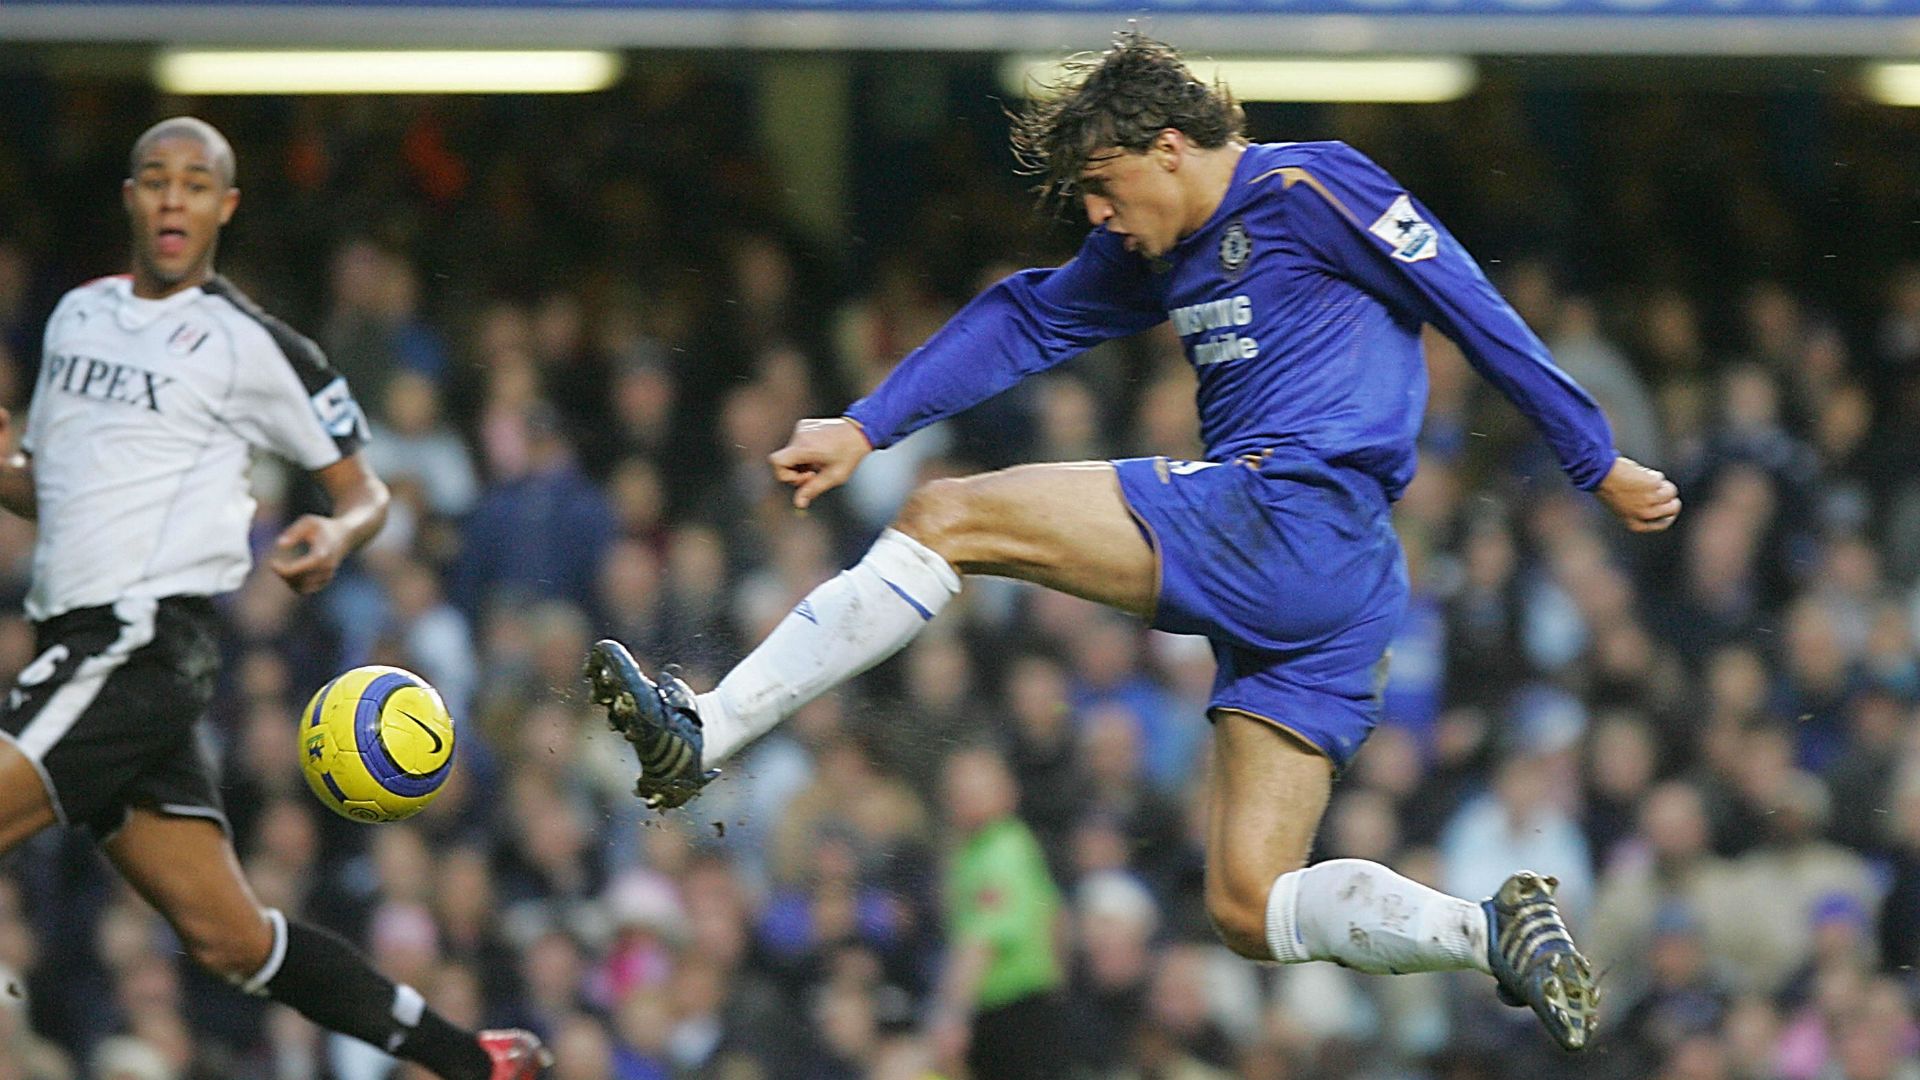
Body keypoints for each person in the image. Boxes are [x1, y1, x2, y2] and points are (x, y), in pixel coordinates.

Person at [585, 34, 1682, 1052]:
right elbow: (1028, 316)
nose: (1100, 217)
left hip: (1291, 511)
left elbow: (1466, 297)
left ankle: (708, 728)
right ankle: (1488, 932)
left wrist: (1596, 457)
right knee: (1250, 905)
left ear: (1170, 147)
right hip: (1340, 586)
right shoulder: (1158, 243)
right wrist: (867, 423)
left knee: (944, 516)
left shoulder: (1313, 186)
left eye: (1106, 188)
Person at [0, 117, 549, 1079]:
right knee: (230, 939)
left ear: (225, 206)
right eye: (156, 181)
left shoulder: (252, 345)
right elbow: (53, 491)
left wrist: (337, 533)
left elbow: (363, 487)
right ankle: (468, 1059)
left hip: (138, 641)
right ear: (131, 197)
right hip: (86, 641)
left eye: (195, 184)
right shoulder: (75, 316)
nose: (174, 198)